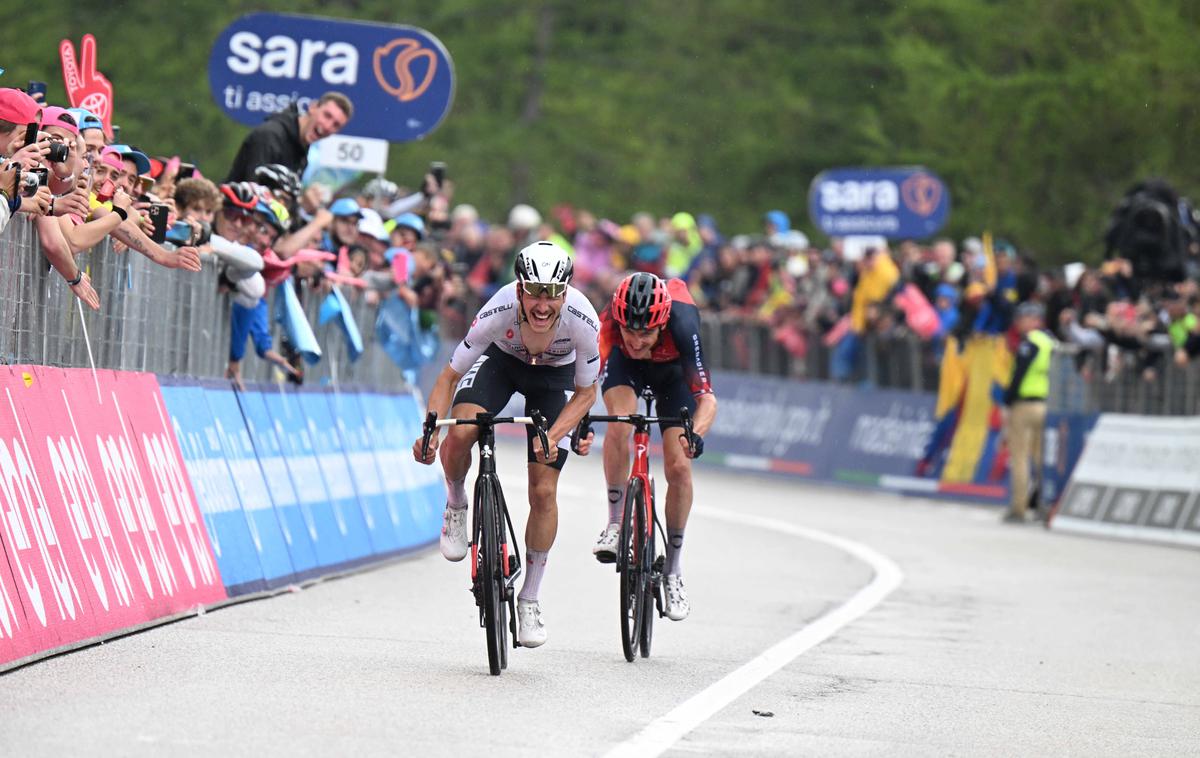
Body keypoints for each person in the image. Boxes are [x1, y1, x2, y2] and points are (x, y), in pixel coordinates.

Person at [412, 240, 601, 649]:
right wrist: (432, 430)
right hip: (501, 363)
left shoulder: (583, 320)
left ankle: (530, 598)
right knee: (462, 431)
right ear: (518, 289)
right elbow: (447, 377)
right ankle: (457, 500)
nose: (543, 303)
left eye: (552, 293)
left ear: (565, 292)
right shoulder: (497, 311)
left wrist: (552, 437)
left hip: (555, 380)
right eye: (534, 290)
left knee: (544, 488)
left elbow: (587, 393)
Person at [578, 271, 717, 621]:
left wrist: (695, 434)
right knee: (621, 423)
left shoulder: (683, 323)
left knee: (679, 466)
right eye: (630, 332)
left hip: (672, 376)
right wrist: (578, 422)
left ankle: (672, 569)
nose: (637, 342)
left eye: (646, 334)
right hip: (627, 372)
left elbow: (708, 400)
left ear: (662, 323)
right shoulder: (611, 321)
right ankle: (615, 522)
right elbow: (583, 384)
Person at [1002, 301, 1056, 523]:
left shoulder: (1030, 343)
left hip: (1024, 405)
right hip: (1044, 403)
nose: (1019, 322)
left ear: (1035, 319)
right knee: (1041, 459)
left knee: (1020, 459)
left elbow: (1019, 375)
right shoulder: (1050, 342)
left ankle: (1019, 508)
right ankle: (1044, 505)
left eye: (1024, 318)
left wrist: (1007, 399)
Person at [224, 93, 352, 183]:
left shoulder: (302, 152)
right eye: (327, 115)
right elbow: (252, 191)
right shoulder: (270, 136)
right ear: (313, 107)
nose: (328, 126)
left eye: (336, 125)